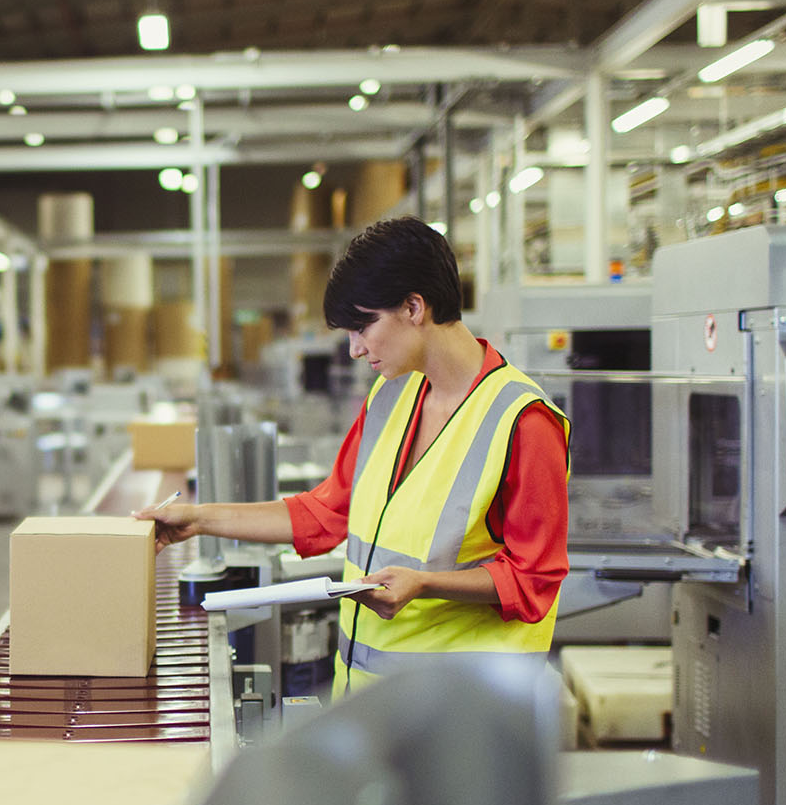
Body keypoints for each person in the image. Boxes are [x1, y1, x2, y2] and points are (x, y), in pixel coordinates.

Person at [134, 217, 569, 697]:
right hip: (372, 704)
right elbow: (325, 513)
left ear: (413, 307)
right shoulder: (391, 398)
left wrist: (425, 584)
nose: (355, 349)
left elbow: (534, 580)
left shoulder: (524, 421)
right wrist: (196, 519)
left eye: (363, 326)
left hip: (461, 716)